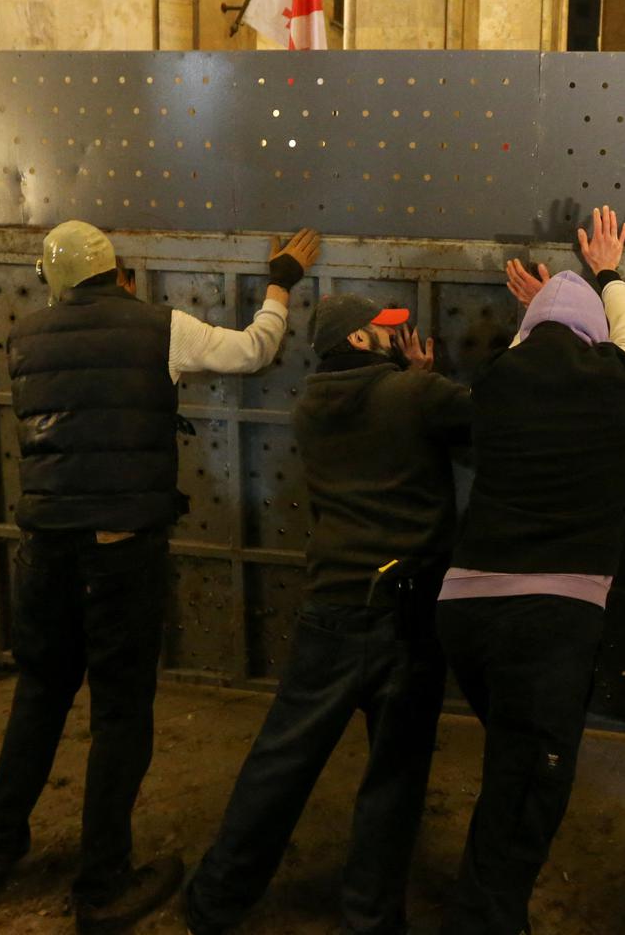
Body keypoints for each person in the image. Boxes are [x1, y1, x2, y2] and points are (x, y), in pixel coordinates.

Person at [0, 220, 321, 935]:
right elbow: (254, 350)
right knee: (120, 713)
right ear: (119, 273)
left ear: (53, 280)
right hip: (119, 549)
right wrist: (280, 280)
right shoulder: (160, 328)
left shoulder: (24, 337)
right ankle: (101, 885)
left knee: (40, 694)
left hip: (44, 548)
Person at [185, 295, 468, 935]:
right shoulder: (415, 397)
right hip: (406, 612)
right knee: (393, 774)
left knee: (282, 759)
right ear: (363, 343)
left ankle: (216, 898)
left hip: (332, 608)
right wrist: (428, 378)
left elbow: (384, 428)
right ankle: (369, 920)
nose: (399, 338)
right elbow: (489, 426)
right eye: (387, 331)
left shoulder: (311, 405)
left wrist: (413, 381)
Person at [436, 206, 625, 935]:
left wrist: (542, 311)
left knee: (511, 758)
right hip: (552, 619)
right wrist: (607, 272)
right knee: (528, 784)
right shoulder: (621, 383)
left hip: (464, 608)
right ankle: (484, 919)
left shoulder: (494, 380)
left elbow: (549, 341)